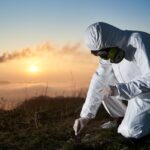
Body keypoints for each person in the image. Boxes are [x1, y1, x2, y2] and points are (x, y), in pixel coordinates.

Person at [73, 22, 150, 139]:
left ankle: (137, 120)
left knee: (131, 131)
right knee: (102, 90)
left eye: (104, 53)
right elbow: (100, 78)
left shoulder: (139, 41)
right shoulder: (112, 49)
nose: (105, 57)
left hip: (146, 95)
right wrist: (85, 116)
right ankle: (125, 117)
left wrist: (119, 90)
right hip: (133, 92)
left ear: (110, 43)